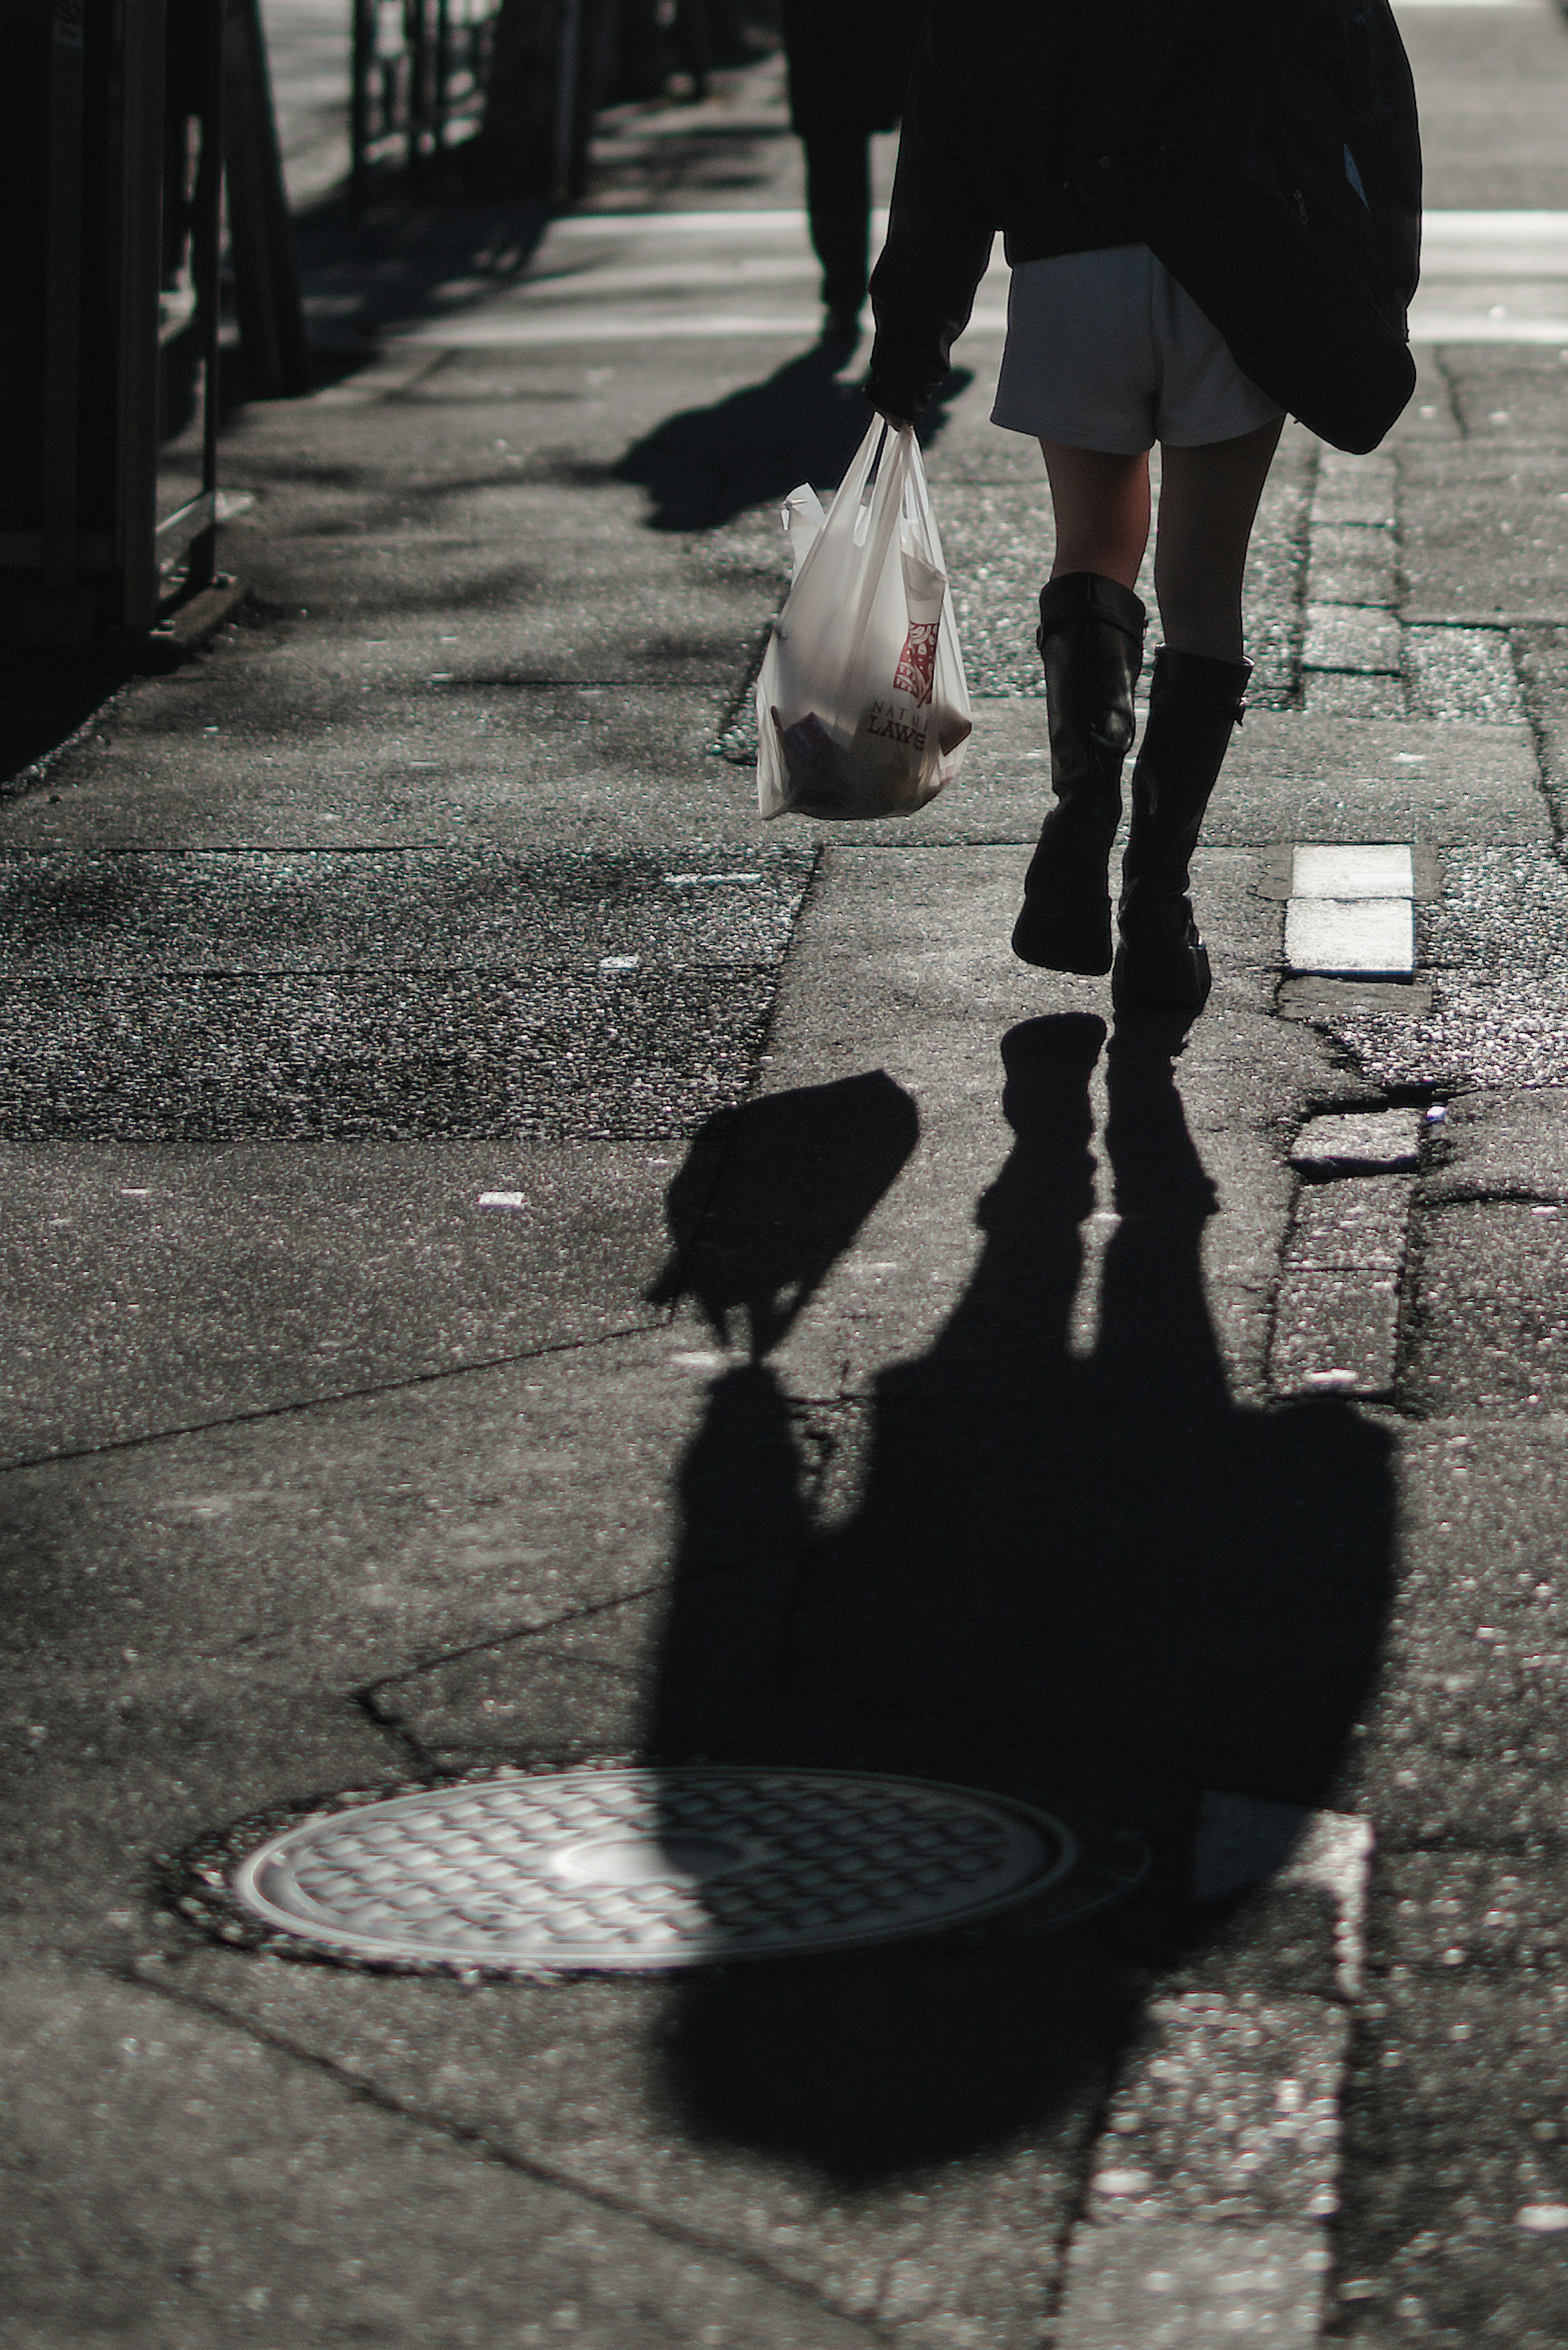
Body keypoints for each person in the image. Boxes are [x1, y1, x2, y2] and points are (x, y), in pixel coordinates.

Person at [864, 0, 1421, 1012]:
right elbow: (1369, 93)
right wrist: (1379, 287)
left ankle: (1081, 816)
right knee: (1203, 587)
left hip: (1067, 262)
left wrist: (912, 338)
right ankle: (1156, 911)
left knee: (1090, 545)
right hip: (1236, 253)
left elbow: (944, 136)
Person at [782, 0, 927, 345]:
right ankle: (924, 303)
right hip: (849, 30)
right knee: (931, 160)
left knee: (835, 168)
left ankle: (850, 298)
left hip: (826, 32)